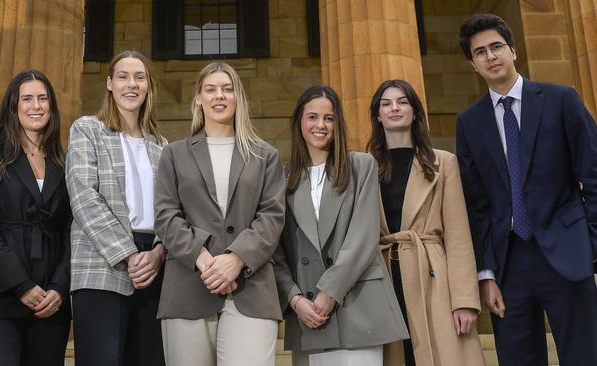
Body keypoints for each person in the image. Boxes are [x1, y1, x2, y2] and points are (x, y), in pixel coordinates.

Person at [456, 14, 597, 366]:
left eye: (496, 47)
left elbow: (593, 175)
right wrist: (485, 274)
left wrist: (590, 244)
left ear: (513, 50)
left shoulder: (561, 100)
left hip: (568, 255)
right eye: (480, 52)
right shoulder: (469, 122)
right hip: (508, 267)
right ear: (473, 64)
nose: (490, 56)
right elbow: (476, 205)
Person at [154, 62, 285, 366]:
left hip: (251, 290)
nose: (219, 96)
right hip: (187, 287)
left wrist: (236, 259)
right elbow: (166, 215)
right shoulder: (174, 154)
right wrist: (204, 261)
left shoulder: (265, 155)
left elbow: (272, 217)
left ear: (238, 97)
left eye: (227, 89)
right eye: (210, 89)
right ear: (198, 98)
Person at [273, 85, 408, 366]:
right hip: (308, 315)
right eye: (312, 117)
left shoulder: (362, 166)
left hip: (357, 305)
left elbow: (363, 236)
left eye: (329, 118)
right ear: (299, 122)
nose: (320, 125)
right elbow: (276, 252)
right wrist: (296, 300)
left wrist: (330, 293)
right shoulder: (283, 181)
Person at [368, 79, 485, 366]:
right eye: (386, 103)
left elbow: (458, 237)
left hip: (433, 278)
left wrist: (465, 301)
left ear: (416, 112)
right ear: (377, 115)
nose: (394, 108)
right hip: (383, 277)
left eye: (402, 101)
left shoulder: (443, 163)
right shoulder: (364, 167)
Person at [66, 50, 167, 366]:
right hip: (102, 264)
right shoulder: (87, 129)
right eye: (123, 76)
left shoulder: (161, 146)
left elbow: (171, 209)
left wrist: (159, 252)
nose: (131, 84)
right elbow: (84, 197)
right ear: (110, 83)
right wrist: (128, 254)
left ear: (148, 86)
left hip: (153, 266)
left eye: (140, 77)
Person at [0, 70, 71, 366]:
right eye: (27, 98)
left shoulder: (64, 164)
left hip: (51, 306)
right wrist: (21, 285)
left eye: (43, 98)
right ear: (13, 106)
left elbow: (73, 232)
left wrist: (60, 288)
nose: (36, 106)